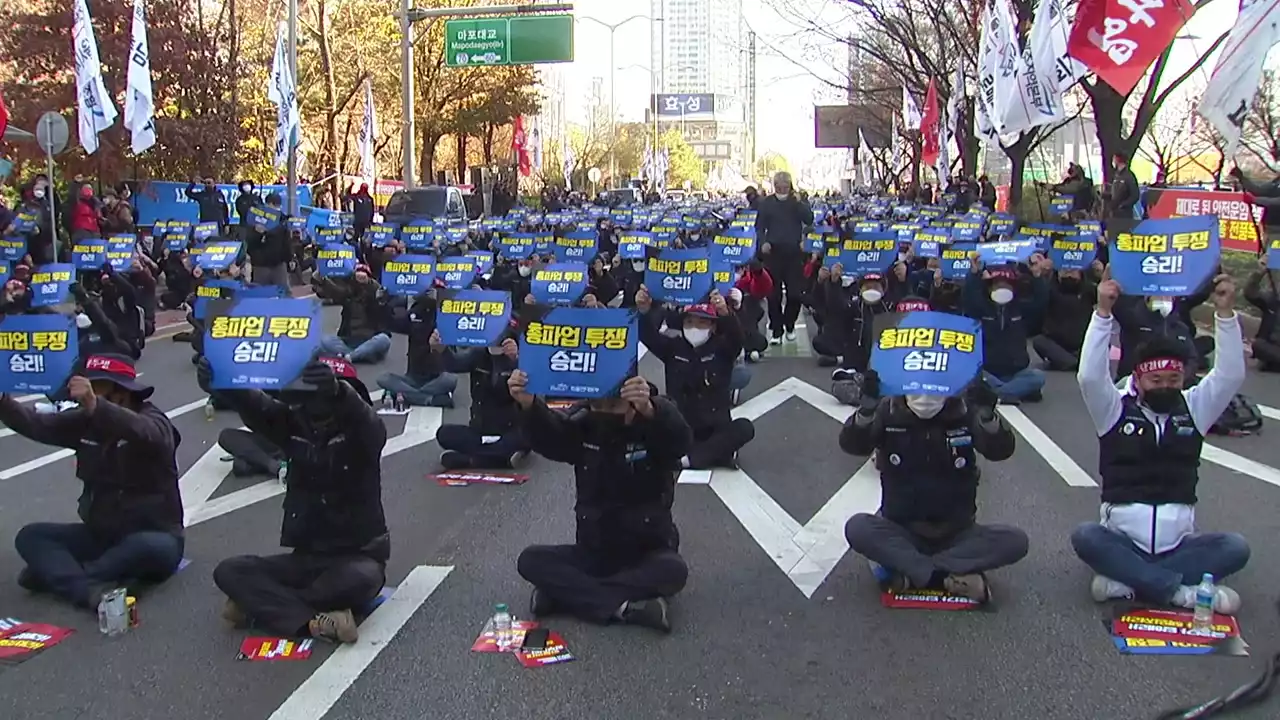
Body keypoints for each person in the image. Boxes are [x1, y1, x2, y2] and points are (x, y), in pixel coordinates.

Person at [1071, 271, 1249, 613]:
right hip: (1123, 541)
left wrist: (1225, 314)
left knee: (1235, 547)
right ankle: (1179, 592)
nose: (1166, 386)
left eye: (1174, 379)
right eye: (1156, 379)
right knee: (1086, 537)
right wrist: (1103, 312)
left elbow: (1229, 376)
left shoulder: (1194, 408)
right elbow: (1090, 376)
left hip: (1179, 545)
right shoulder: (1114, 410)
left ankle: (1129, 582)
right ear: (1138, 378)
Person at [201, 357, 389, 643]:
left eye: (323, 399)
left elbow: (370, 423)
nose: (316, 410)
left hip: (355, 557)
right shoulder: (293, 425)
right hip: (305, 558)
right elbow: (255, 406)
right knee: (231, 571)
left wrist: (338, 391)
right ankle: (314, 620)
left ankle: (264, 608)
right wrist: (221, 378)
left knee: (363, 579)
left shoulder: (362, 434)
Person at [509, 371, 690, 632]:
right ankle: (624, 607)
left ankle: (565, 596)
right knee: (531, 560)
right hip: (593, 551)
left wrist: (650, 409)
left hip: (646, 551)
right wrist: (528, 404)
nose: (605, 413)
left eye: (612, 407)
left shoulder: (654, 419)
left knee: (673, 570)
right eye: (597, 406)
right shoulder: (584, 423)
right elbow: (551, 438)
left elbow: (680, 442)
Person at [4, 355, 184, 608]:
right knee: (31, 536)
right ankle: (89, 589)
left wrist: (95, 405)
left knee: (146, 547)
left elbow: (149, 434)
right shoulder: (85, 422)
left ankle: (65, 575)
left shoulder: (153, 420)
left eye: (100, 391)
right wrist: (4, 401)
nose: (91, 397)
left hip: (152, 534)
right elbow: (37, 424)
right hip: (101, 535)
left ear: (122, 393)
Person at [840, 370, 1025, 601]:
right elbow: (853, 445)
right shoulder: (887, 410)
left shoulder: (966, 410)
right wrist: (866, 411)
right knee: (858, 527)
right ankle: (948, 575)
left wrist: (988, 417)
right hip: (902, 528)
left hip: (957, 531)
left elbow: (1000, 451)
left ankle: (914, 572)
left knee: (1015, 541)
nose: (925, 398)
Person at [635, 289, 755, 469]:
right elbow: (648, 336)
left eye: (701, 323)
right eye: (689, 322)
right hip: (680, 427)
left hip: (714, 427)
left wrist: (725, 313)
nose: (694, 327)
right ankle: (715, 454)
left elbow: (737, 338)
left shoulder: (722, 349)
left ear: (713, 327)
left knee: (744, 428)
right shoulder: (673, 347)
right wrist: (644, 311)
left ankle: (690, 459)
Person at [437, 332, 529, 469]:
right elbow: (455, 364)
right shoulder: (478, 354)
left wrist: (517, 360)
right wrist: (442, 349)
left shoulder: (518, 355)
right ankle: (498, 459)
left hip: (508, 431)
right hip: (479, 431)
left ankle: (471, 460)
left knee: (527, 436)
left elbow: (535, 386)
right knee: (444, 434)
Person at [964, 260, 1049, 404]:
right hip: (987, 371)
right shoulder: (980, 307)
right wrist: (974, 273)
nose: (1001, 288)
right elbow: (968, 297)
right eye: (997, 284)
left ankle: (997, 394)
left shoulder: (1020, 308)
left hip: (1016, 372)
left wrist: (1036, 276)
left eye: (1006, 285)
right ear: (990, 287)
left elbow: (1041, 302)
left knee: (1038, 377)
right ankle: (1012, 392)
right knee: (970, 376)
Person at [754, 171, 814, 345]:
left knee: (795, 294)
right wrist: (763, 242)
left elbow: (809, 219)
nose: (781, 190)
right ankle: (776, 329)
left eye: (785, 187)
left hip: (794, 254)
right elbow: (759, 227)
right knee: (773, 296)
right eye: (778, 186)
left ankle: (790, 324)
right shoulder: (766, 203)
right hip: (773, 254)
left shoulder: (797, 202)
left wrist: (799, 202)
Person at [376, 291, 458, 407]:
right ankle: (428, 399)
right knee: (383, 378)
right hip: (413, 377)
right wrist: (383, 303)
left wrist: (440, 301)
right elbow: (392, 323)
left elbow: (458, 321)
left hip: (437, 376)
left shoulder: (446, 311)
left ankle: (404, 394)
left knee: (451, 379)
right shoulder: (416, 311)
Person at [316, 264, 392, 364]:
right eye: (358, 274)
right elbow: (336, 291)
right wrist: (323, 280)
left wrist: (368, 282)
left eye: (364, 274)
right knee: (325, 340)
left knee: (384, 339)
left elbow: (380, 295)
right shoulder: (348, 293)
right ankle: (358, 355)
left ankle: (351, 356)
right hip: (349, 341)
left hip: (369, 339)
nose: (360, 277)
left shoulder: (375, 294)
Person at [1032, 265, 1096, 371]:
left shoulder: (1088, 290)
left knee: (1102, 341)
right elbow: (1039, 302)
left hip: (1083, 344)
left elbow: (1107, 299)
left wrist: (1102, 275)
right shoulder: (1050, 289)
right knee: (1039, 341)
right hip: (1057, 343)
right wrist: (1038, 277)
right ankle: (1075, 363)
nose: (1069, 273)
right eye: (1066, 270)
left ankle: (1066, 362)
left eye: (1073, 270)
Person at [246, 192, 293, 289]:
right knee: (259, 296)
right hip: (260, 266)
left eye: (278, 206)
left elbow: (286, 243)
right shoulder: (255, 219)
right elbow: (249, 243)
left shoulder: (282, 220)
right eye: (273, 205)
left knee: (284, 295)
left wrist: (290, 259)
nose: (276, 208)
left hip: (278, 265)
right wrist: (257, 233)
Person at [1245, 256, 1280, 371]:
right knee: (1258, 345)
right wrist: (1259, 273)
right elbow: (1250, 294)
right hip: (1270, 346)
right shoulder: (1272, 300)